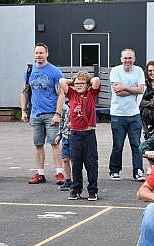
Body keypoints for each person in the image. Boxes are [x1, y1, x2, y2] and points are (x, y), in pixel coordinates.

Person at [20, 43, 65, 185]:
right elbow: (25, 92)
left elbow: (61, 93)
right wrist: (23, 110)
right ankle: (40, 174)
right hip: (36, 114)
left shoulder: (54, 72)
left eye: (41, 53)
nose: (38, 55)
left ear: (47, 54)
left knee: (55, 142)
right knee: (38, 144)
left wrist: (58, 113)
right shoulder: (29, 72)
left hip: (51, 113)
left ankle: (59, 173)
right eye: (36, 53)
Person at [56, 71, 101, 201]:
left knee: (91, 164)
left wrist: (86, 81)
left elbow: (96, 80)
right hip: (75, 134)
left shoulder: (91, 94)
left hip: (88, 134)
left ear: (87, 84)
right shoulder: (72, 94)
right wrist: (74, 81)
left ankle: (92, 190)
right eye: (77, 84)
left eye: (82, 83)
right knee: (76, 164)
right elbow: (61, 81)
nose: (79, 85)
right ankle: (76, 190)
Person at [108, 48, 146, 181]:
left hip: (134, 114)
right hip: (118, 114)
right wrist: (134, 90)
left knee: (136, 145)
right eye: (125, 58)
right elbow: (118, 92)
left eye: (130, 58)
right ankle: (114, 170)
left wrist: (124, 87)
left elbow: (141, 89)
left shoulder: (139, 71)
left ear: (134, 59)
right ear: (121, 59)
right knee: (118, 145)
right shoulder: (115, 71)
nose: (128, 60)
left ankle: (138, 171)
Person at [56, 99, 72, 191]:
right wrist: (59, 135)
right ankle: (68, 180)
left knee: (75, 161)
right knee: (65, 159)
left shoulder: (79, 105)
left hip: (75, 136)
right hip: (66, 137)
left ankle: (77, 181)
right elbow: (61, 121)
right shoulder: (64, 107)